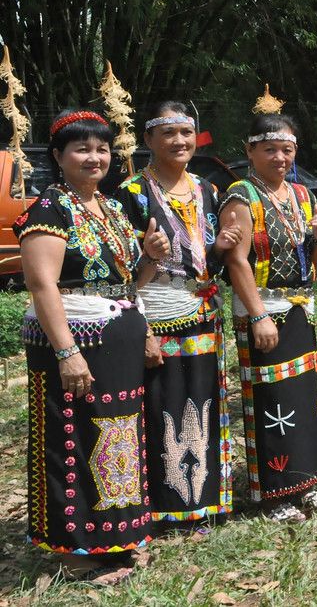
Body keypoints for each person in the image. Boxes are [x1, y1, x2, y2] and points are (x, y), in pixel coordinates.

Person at [17, 110, 169, 584]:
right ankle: (76, 551)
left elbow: (127, 284)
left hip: (117, 338)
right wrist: (67, 353)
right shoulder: (49, 209)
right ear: (58, 156)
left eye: (101, 149)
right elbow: (42, 285)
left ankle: (117, 537)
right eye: (81, 148)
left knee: (117, 433)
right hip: (75, 340)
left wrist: (150, 259)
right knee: (73, 438)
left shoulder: (112, 209)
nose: (94, 157)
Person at [117, 102, 238, 528]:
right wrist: (141, 325)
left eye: (186, 132)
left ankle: (204, 502)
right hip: (156, 311)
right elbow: (120, 269)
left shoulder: (207, 189)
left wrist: (220, 246)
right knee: (160, 402)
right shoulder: (131, 193)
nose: (179, 141)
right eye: (168, 133)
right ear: (148, 139)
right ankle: (164, 506)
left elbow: (207, 261)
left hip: (202, 311)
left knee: (202, 396)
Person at [220, 112, 317, 521]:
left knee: (303, 398)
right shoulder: (241, 196)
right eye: (269, 149)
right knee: (271, 399)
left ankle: (307, 481)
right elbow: (236, 261)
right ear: (250, 151)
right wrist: (258, 316)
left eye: (287, 149)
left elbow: (312, 261)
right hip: (264, 309)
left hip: (300, 307)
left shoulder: (303, 196)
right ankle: (274, 492)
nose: (280, 157)